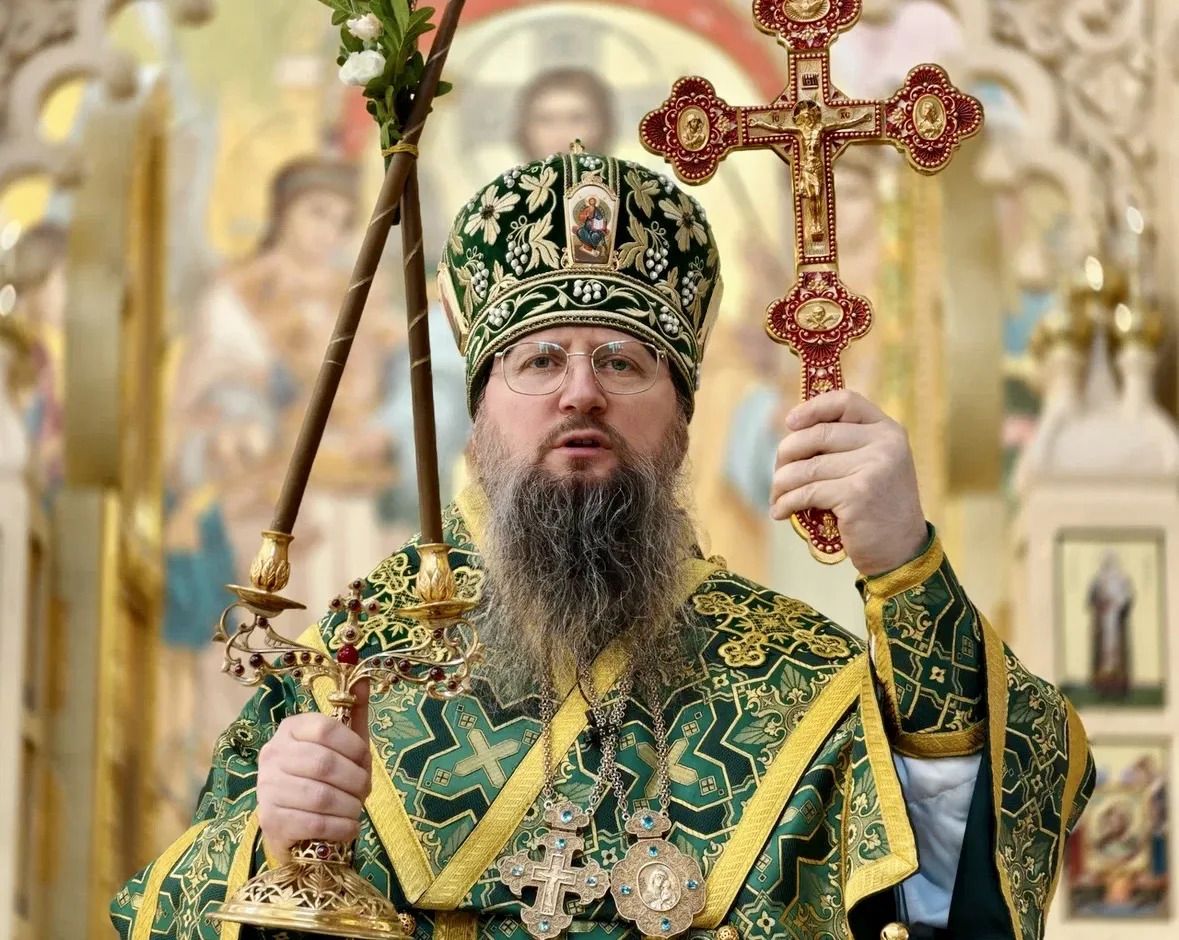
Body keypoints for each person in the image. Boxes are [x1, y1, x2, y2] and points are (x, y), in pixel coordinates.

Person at [112, 149, 1093, 940]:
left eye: (622, 362)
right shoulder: (348, 667)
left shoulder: (802, 684)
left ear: (682, 421)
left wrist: (904, 567)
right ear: (479, 420)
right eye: (540, 359)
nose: (580, 391)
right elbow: (164, 912)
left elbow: (950, 896)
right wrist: (271, 848)